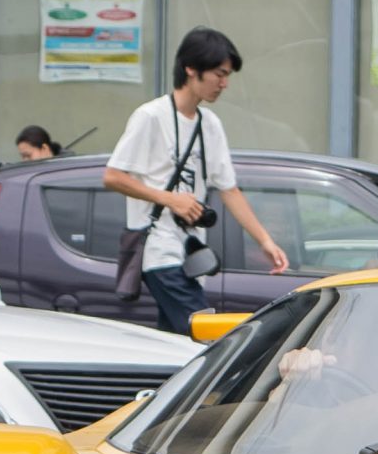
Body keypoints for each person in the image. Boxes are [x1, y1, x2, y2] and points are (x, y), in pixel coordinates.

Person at [103, 26, 288, 336]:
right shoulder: (150, 117)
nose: (224, 83)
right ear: (191, 69)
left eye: (227, 75)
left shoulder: (210, 124)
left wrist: (265, 241)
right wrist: (170, 198)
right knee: (205, 335)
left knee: (176, 345)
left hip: (189, 253)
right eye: (219, 73)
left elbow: (229, 189)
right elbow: (112, 176)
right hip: (158, 253)